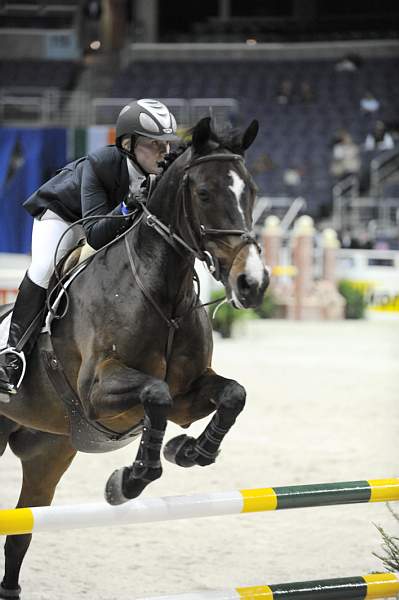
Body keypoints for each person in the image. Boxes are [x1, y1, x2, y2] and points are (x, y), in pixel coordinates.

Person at [0, 99, 180, 396]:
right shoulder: (101, 164)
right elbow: (95, 236)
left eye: (167, 145)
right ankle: (12, 352)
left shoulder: (161, 171)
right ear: (127, 144)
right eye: (155, 144)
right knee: (46, 267)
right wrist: (126, 206)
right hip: (64, 217)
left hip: (107, 220)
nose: (164, 153)